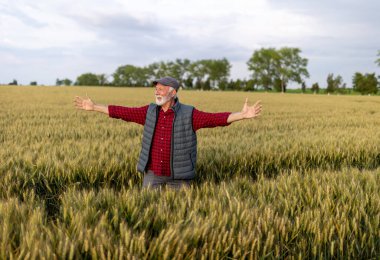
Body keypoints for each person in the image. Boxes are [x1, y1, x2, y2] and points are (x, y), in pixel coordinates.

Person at [74, 77, 262, 189]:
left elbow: (215, 119)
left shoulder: (189, 114)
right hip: (152, 175)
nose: (157, 92)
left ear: (172, 93)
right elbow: (123, 112)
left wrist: (242, 115)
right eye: (156, 89)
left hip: (179, 179)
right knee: (148, 216)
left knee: (180, 220)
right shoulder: (149, 112)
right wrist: (94, 107)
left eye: (161, 89)